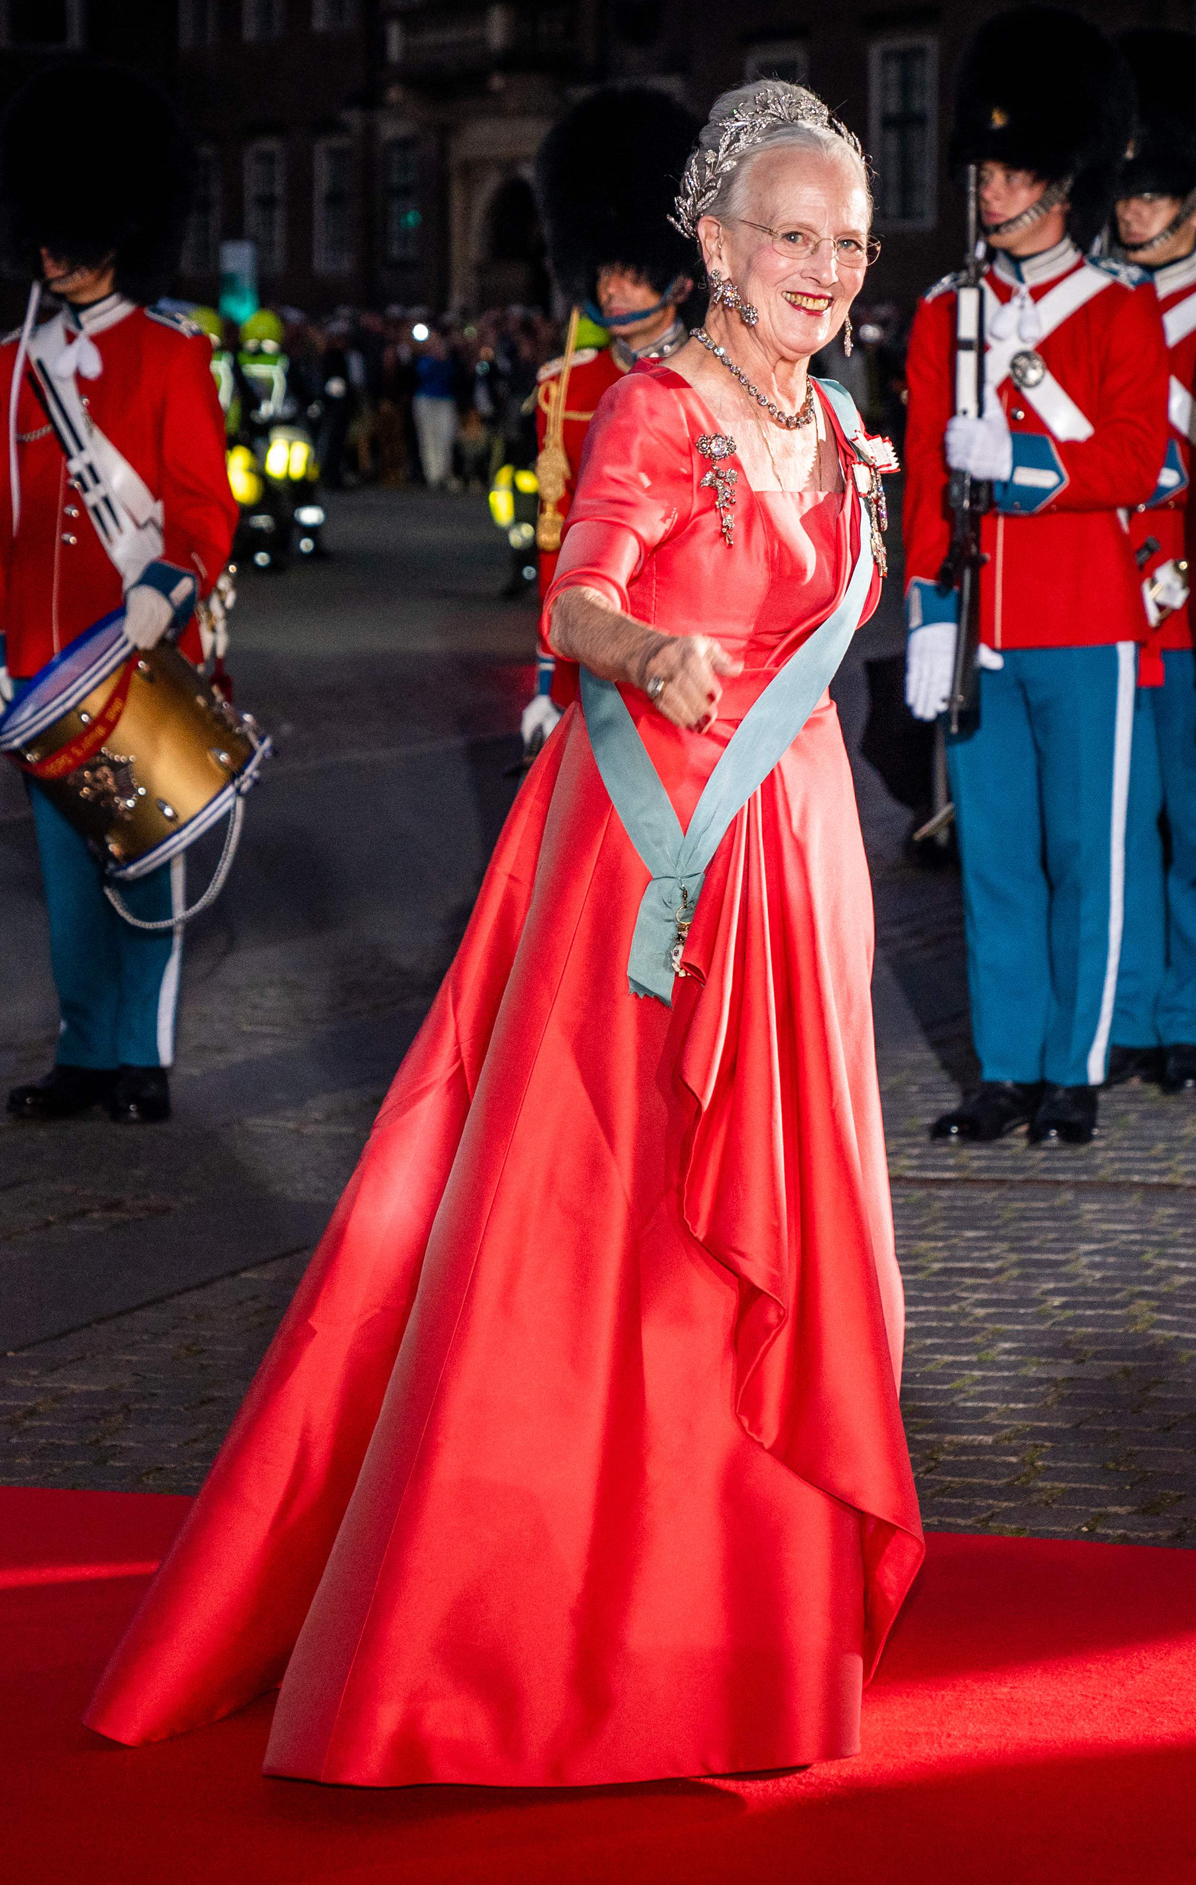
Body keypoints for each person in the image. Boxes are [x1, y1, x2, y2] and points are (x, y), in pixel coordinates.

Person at [84, 79, 922, 1788]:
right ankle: (540, 1625)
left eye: (846, 240)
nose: (823, 269)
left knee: (782, 1221)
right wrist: (641, 656)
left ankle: (738, 1625)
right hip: (649, 859)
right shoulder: (651, 412)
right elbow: (575, 595)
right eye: (790, 236)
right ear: (713, 243)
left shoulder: (842, 432)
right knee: (617, 1234)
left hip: (801, 852)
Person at [904, 9, 1169, 1146]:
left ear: (1060, 181)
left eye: (1010, 170)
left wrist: (1017, 458)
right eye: (986, 168)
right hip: (980, 630)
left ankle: (1078, 1067)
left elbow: (1135, 458)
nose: (990, 188)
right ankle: (1006, 1065)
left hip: (1086, 620)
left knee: (1086, 853)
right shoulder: (943, 316)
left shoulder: (1120, 311)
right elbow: (923, 481)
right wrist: (926, 609)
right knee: (995, 857)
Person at [1, 61, 237, 1126]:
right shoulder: (10, 362)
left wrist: (167, 585)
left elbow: (200, 505)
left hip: (135, 651)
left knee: (145, 865)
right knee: (65, 882)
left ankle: (142, 1055)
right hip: (40, 663)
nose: (57, 249)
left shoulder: (170, 353)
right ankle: (84, 1053)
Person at [521, 86, 699, 755]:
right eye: (601, 271)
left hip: (689, 644)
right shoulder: (563, 389)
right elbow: (555, 544)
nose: (608, 289)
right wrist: (549, 677)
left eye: (628, 271)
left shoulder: (716, 377)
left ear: (676, 277)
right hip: (599, 649)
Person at [1108, 31, 1196, 1096]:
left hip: (1182, 594)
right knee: (1120, 825)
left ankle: (1187, 1009)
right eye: (1126, 190)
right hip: (1108, 595)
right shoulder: (1099, 301)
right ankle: (1129, 1010)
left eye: (1155, 190)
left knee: (1188, 822)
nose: (1134, 210)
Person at [411, 326, 459, 488]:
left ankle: (445, 473)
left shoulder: (449, 359)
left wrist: (444, 359)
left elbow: (454, 376)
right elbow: (420, 374)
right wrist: (433, 358)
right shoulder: (423, 358)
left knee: (446, 436)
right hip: (425, 399)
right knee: (429, 437)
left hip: (445, 400)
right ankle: (433, 475)